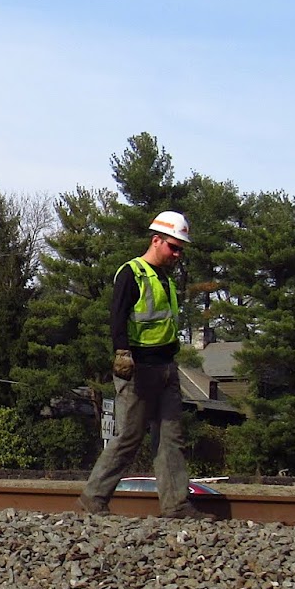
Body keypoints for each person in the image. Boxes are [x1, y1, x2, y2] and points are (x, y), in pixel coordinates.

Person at [77, 210, 212, 520]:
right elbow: (117, 316)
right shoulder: (132, 273)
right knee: (128, 437)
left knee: (170, 438)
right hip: (137, 369)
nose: (177, 254)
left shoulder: (165, 279)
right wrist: (122, 353)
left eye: (180, 249)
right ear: (156, 240)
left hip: (166, 367)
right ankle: (93, 498)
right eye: (173, 247)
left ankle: (176, 505)